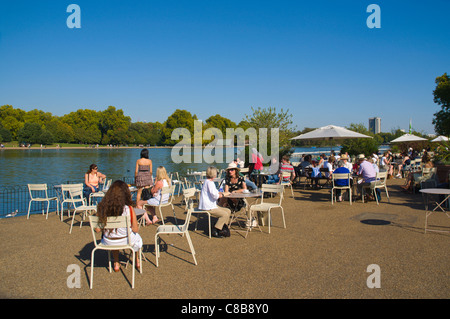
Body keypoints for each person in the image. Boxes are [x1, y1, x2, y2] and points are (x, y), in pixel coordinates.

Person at [95, 180, 143, 272]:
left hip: (108, 241)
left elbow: (97, 229)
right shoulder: (128, 209)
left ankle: (116, 263)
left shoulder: (102, 207)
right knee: (137, 238)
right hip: (126, 240)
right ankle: (137, 260)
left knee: (113, 233)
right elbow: (135, 229)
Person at [198, 166, 231, 238]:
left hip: (210, 205)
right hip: (208, 207)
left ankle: (222, 227)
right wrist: (224, 194)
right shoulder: (210, 183)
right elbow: (216, 196)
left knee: (228, 211)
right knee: (224, 214)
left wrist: (223, 193)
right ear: (214, 175)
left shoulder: (207, 182)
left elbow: (215, 193)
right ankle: (216, 230)